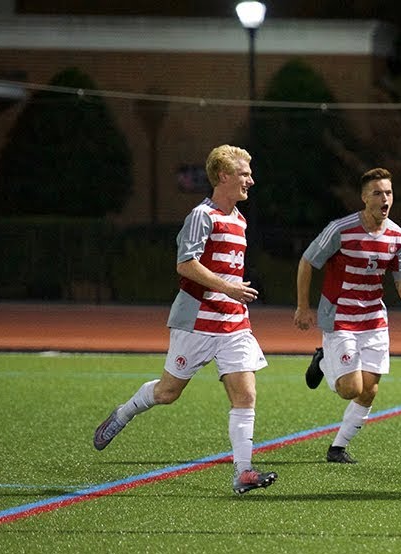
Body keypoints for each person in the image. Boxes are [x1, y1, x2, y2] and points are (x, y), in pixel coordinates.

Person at [92, 144, 277, 495]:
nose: (250, 180)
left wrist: (232, 294)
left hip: (234, 322)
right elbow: (185, 264)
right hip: (196, 322)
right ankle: (124, 413)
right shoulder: (201, 216)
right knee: (167, 393)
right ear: (223, 176)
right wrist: (227, 287)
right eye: (244, 174)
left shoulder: (239, 219)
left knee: (246, 394)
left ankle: (243, 472)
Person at [294, 167, 401, 465]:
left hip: (374, 320)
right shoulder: (341, 229)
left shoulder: (397, 236)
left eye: (389, 193)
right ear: (364, 198)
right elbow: (307, 262)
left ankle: (337, 448)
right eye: (378, 193)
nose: (385, 198)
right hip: (341, 317)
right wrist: (303, 306)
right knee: (350, 389)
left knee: (369, 390)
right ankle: (323, 359)